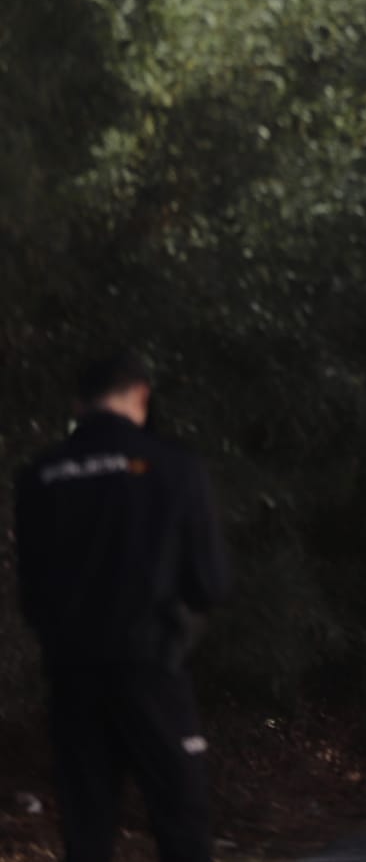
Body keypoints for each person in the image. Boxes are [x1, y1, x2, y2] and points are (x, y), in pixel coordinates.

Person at [14, 350, 231, 862]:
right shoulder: (174, 466)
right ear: (141, 395)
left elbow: (31, 587)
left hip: (71, 672)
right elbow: (210, 583)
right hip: (150, 664)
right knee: (180, 816)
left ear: (79, 404)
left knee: (87, 825)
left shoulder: (39, 474)